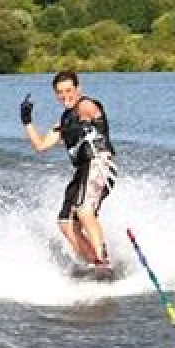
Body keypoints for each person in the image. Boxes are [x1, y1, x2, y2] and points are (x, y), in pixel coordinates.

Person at [21, 71, 117, 268]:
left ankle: (102, 259)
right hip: (82, 171)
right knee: (65, 223)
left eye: (69, 90)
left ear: (78, 89)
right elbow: (41, 146)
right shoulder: (63, 121)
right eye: (60, 92)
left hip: (99, 164)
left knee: (84, 210)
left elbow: (90, 111)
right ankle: (93, 262)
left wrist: (83, 121)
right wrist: (27, 122)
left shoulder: (86, 105)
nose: (65, 96)